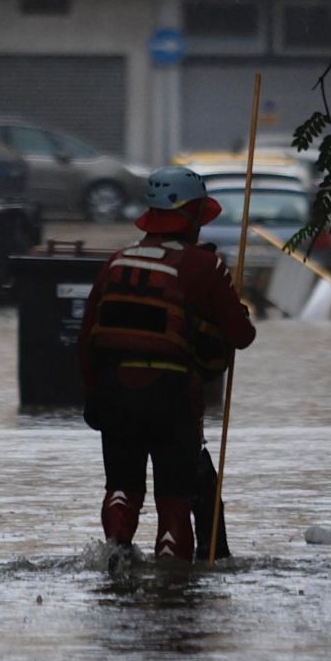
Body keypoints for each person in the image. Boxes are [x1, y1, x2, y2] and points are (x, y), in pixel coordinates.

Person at [78, 166, 257, 562]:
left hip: (114, 394)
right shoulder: (203, 266)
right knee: (174, 503)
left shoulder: (116, 262)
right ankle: (173, 592)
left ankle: (114, 560)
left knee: (122, 487)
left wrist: (93, 396)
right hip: (172, 398)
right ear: (191, 214)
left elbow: (86, 339)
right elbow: (242, 336)